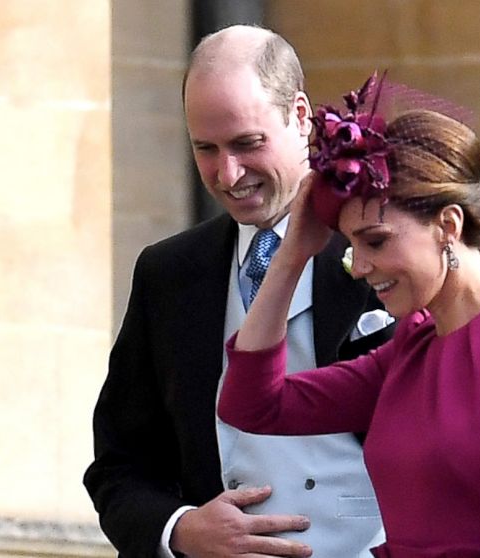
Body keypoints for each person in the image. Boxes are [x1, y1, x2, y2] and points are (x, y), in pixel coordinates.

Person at [218, 76, 480, 557]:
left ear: (448, 226)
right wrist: (292, 255)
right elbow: (252, 405)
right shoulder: (411, 350)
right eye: (351, 244)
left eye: (375, 241)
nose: (359, 266)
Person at [83, 26, 394, 558]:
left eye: (247, 144)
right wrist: (179, 530)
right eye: (206, 148)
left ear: (300, 117)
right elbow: (121, 463)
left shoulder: (388, 245)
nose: (228, 174)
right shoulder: (169, 274)